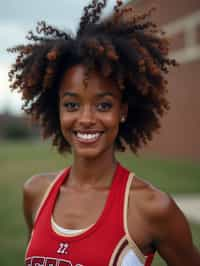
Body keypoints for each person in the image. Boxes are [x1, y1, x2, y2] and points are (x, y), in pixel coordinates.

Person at [8, 1, 200, 265]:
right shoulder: (35, 193)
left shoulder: (152, 207)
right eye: (72, 104)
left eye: (103, 105)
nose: (86, 119)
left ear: (122, 110)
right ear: (58, 110)